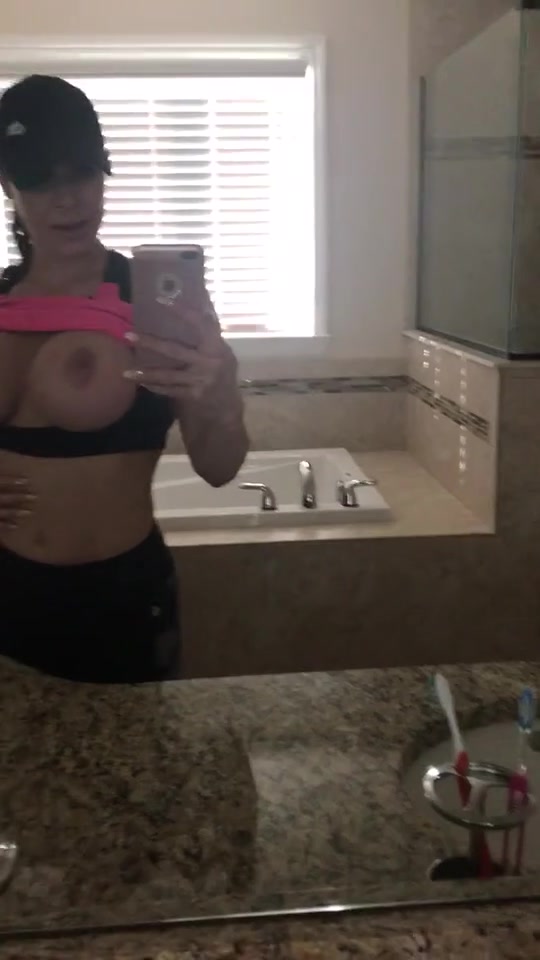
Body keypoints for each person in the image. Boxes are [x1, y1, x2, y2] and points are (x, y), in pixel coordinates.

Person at [0, 75, 248, 683]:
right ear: (8, 186)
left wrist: (220, 396)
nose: (67, 199)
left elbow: (219, 469)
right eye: (40, 180)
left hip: (121, 598)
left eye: (82, 173)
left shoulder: (153, 301)